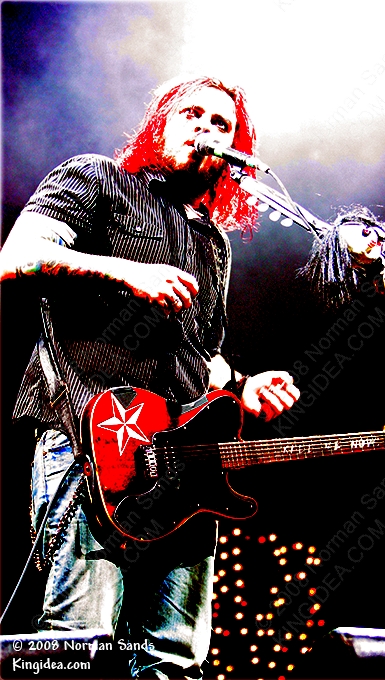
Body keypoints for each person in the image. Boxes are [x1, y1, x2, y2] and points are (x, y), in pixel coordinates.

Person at [0, 75, 300, 678]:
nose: (206, 128)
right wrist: (122, 271)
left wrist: (242, 385)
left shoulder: (213, 243)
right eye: (191, 114)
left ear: (236, 151)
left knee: (175, 657)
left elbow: (200, 356)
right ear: (160, 123)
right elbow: (15, 257)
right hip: (89, 443)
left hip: (183, 467)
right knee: (78, 647)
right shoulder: (96, 178)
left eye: (222, 124)